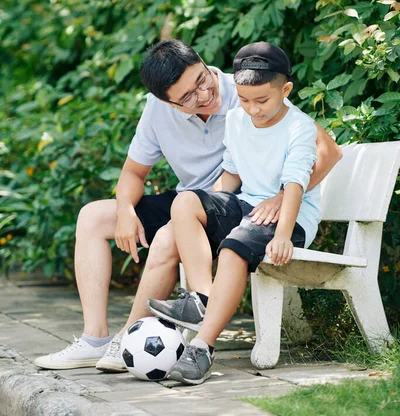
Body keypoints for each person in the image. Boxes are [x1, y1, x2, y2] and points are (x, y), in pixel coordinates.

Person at [34, 40, 341, 372]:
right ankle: (94, 338)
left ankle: (128, 339)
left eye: (201, 80)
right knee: (93, 217)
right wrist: (125, 210)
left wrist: (281, 197)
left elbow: (325, 152)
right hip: (197, 199)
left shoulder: (248, 90)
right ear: (167, 102)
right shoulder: (159, 110)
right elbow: (133, 173)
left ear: (202, 60)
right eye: (188, 97)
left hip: (232, 204)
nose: (204, 95)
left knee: (170, 234)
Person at [148, 42, 322, 385]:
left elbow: (297, 184)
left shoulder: (299, 128)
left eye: (262, 101)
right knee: (184, 202)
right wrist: (202, 210)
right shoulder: (238, 119)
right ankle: (200, 299)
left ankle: (202, 348)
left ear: (285, 90)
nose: (253, 110)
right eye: (244, 100)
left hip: (291, 217)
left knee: (233, 246)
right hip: (247, 206)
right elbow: (230, 175)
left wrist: (284, 234)